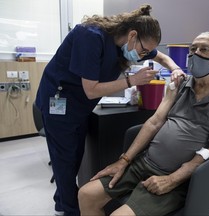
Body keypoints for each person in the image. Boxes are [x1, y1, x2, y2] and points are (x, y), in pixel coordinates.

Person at [35, 4, 185, 216]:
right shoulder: (90, 36)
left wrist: (176, 68)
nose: (143, 55)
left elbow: (160, 56)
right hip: (59, 102)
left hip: (79, 106)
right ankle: (69, 210)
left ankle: (62, 201)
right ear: (132, 35)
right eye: (142, 50)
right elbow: (91, 90)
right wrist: (132, 80)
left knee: (74, 156)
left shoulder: (128, 43)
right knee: (65, 161)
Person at [77, 31, 209, 216]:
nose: (196, 54)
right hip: (144, 162)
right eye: (193, 49)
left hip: (177, 177)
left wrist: (173, 179)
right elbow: (155, 122)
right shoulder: (179, 85)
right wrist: (124, 160)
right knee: (85, 194)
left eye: (204, 50)